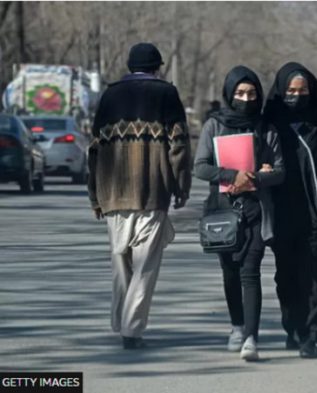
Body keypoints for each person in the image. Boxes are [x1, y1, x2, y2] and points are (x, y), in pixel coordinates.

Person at [88, 42, 191, 350]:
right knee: (145, 267)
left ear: (129, 66)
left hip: (113, 194)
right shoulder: (166, 94)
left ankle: (121, 320)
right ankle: (131, 330)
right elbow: (180, 145)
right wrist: (181, 186)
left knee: (120, 263)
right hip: (152, 192)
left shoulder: (109, 95)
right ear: (157, 67)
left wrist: (95, 195)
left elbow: (94, 149)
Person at [194, 65, 284, 361]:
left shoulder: (265, 127)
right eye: (240, 93)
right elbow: (201, 167)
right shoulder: (214, 125)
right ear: (230, 94)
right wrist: (232, 175)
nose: (246, 98)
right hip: (222, 211)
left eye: (251, 93)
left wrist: (257, 177)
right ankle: (236, 324)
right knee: (230, 272)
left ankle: (251, 337)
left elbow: (281, 172)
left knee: (250, 271)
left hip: (257, 209)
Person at [264, 62, 317, 358]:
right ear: (281, 92)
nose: (297, 96)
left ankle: (311, 330)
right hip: (282, 210)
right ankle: (292, 325)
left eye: (303, 90)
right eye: (291, 91)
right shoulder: (269, 123)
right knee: (287, 276)